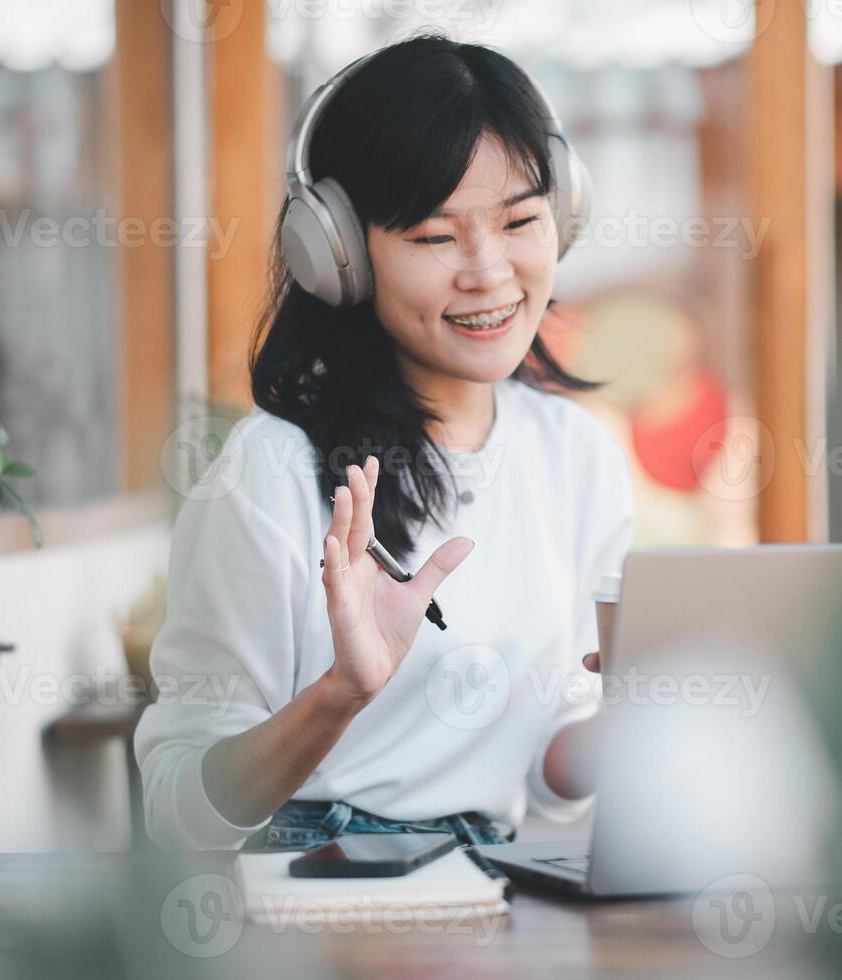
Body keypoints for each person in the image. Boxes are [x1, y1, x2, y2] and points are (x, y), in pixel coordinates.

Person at [133, 33, 635, 852]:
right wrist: (341, 693)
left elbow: (551, 771)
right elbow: (178, 814)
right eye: (436, 238)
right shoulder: (269, 471)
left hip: (491, 881)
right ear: (337, 253)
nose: (489, 273)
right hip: (308, 884)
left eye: (519, 222)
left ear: (564, 217)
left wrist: (646, 724)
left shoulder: (579, 457)